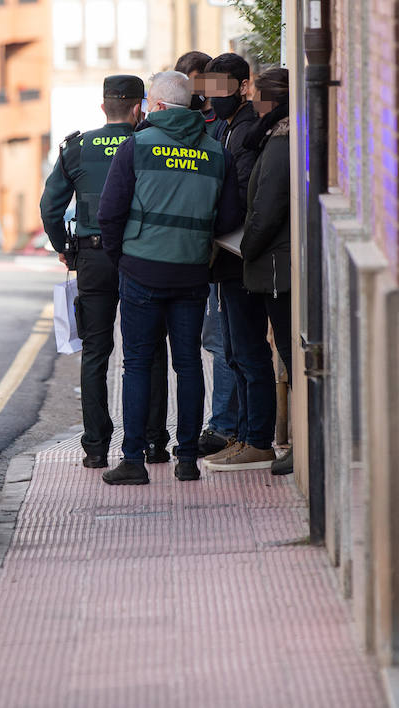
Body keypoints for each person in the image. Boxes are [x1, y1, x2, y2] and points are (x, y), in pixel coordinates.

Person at [98, 71, 243, 485]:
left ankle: (132, 460)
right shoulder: (218, 154)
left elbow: (110, 213)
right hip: (192, 273)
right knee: (189, 365)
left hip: (140, 270)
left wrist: (122, 258)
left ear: (157, 106)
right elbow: (230, 219)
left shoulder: (136, 146)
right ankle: (187, 460)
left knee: (138, 364)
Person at [39, 75, 168, 468]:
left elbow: (50, 208)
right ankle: (154, 442)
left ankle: (96, 447)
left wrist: (65, 248)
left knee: (95, 352)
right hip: (139, 257)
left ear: (103, 107)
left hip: (93, 259)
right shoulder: (149, 144)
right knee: (146, 352)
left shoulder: (77, 147)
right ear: (137, 108)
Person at [211, 66, 291, 472]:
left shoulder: (271, 140)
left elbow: (261, 205)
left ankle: (257, 440)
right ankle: (246, 436)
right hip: (245, 260)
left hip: (255, 261)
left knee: (253, 354)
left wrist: (245, 248)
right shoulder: (259, 135)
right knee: (237, 353)